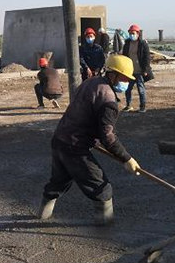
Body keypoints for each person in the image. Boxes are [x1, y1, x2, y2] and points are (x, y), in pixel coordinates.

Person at [37, 54, 141, 225]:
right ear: (112, 74)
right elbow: (107, 136)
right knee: (103, 189)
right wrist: (127, 158)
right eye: (124, 78)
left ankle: (42, 215)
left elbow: (86, 114)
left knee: (58, 183)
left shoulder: (91, 82)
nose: (127, 82)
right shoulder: (109, 101)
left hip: (60, 140)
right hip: (75, 147)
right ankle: (106, 228)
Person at [122, 24, 152, 113]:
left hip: (140, 71)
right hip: (130, 71)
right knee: (128, 89)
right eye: (130, 33)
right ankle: (128, 105)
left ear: (138, 34)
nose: (132, 35)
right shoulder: (127, 43)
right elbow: (124, 56)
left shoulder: (143, 44)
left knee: (141, 90)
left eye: (133, 33)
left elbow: (147, 57)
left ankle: (142, 106)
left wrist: (146, 70)